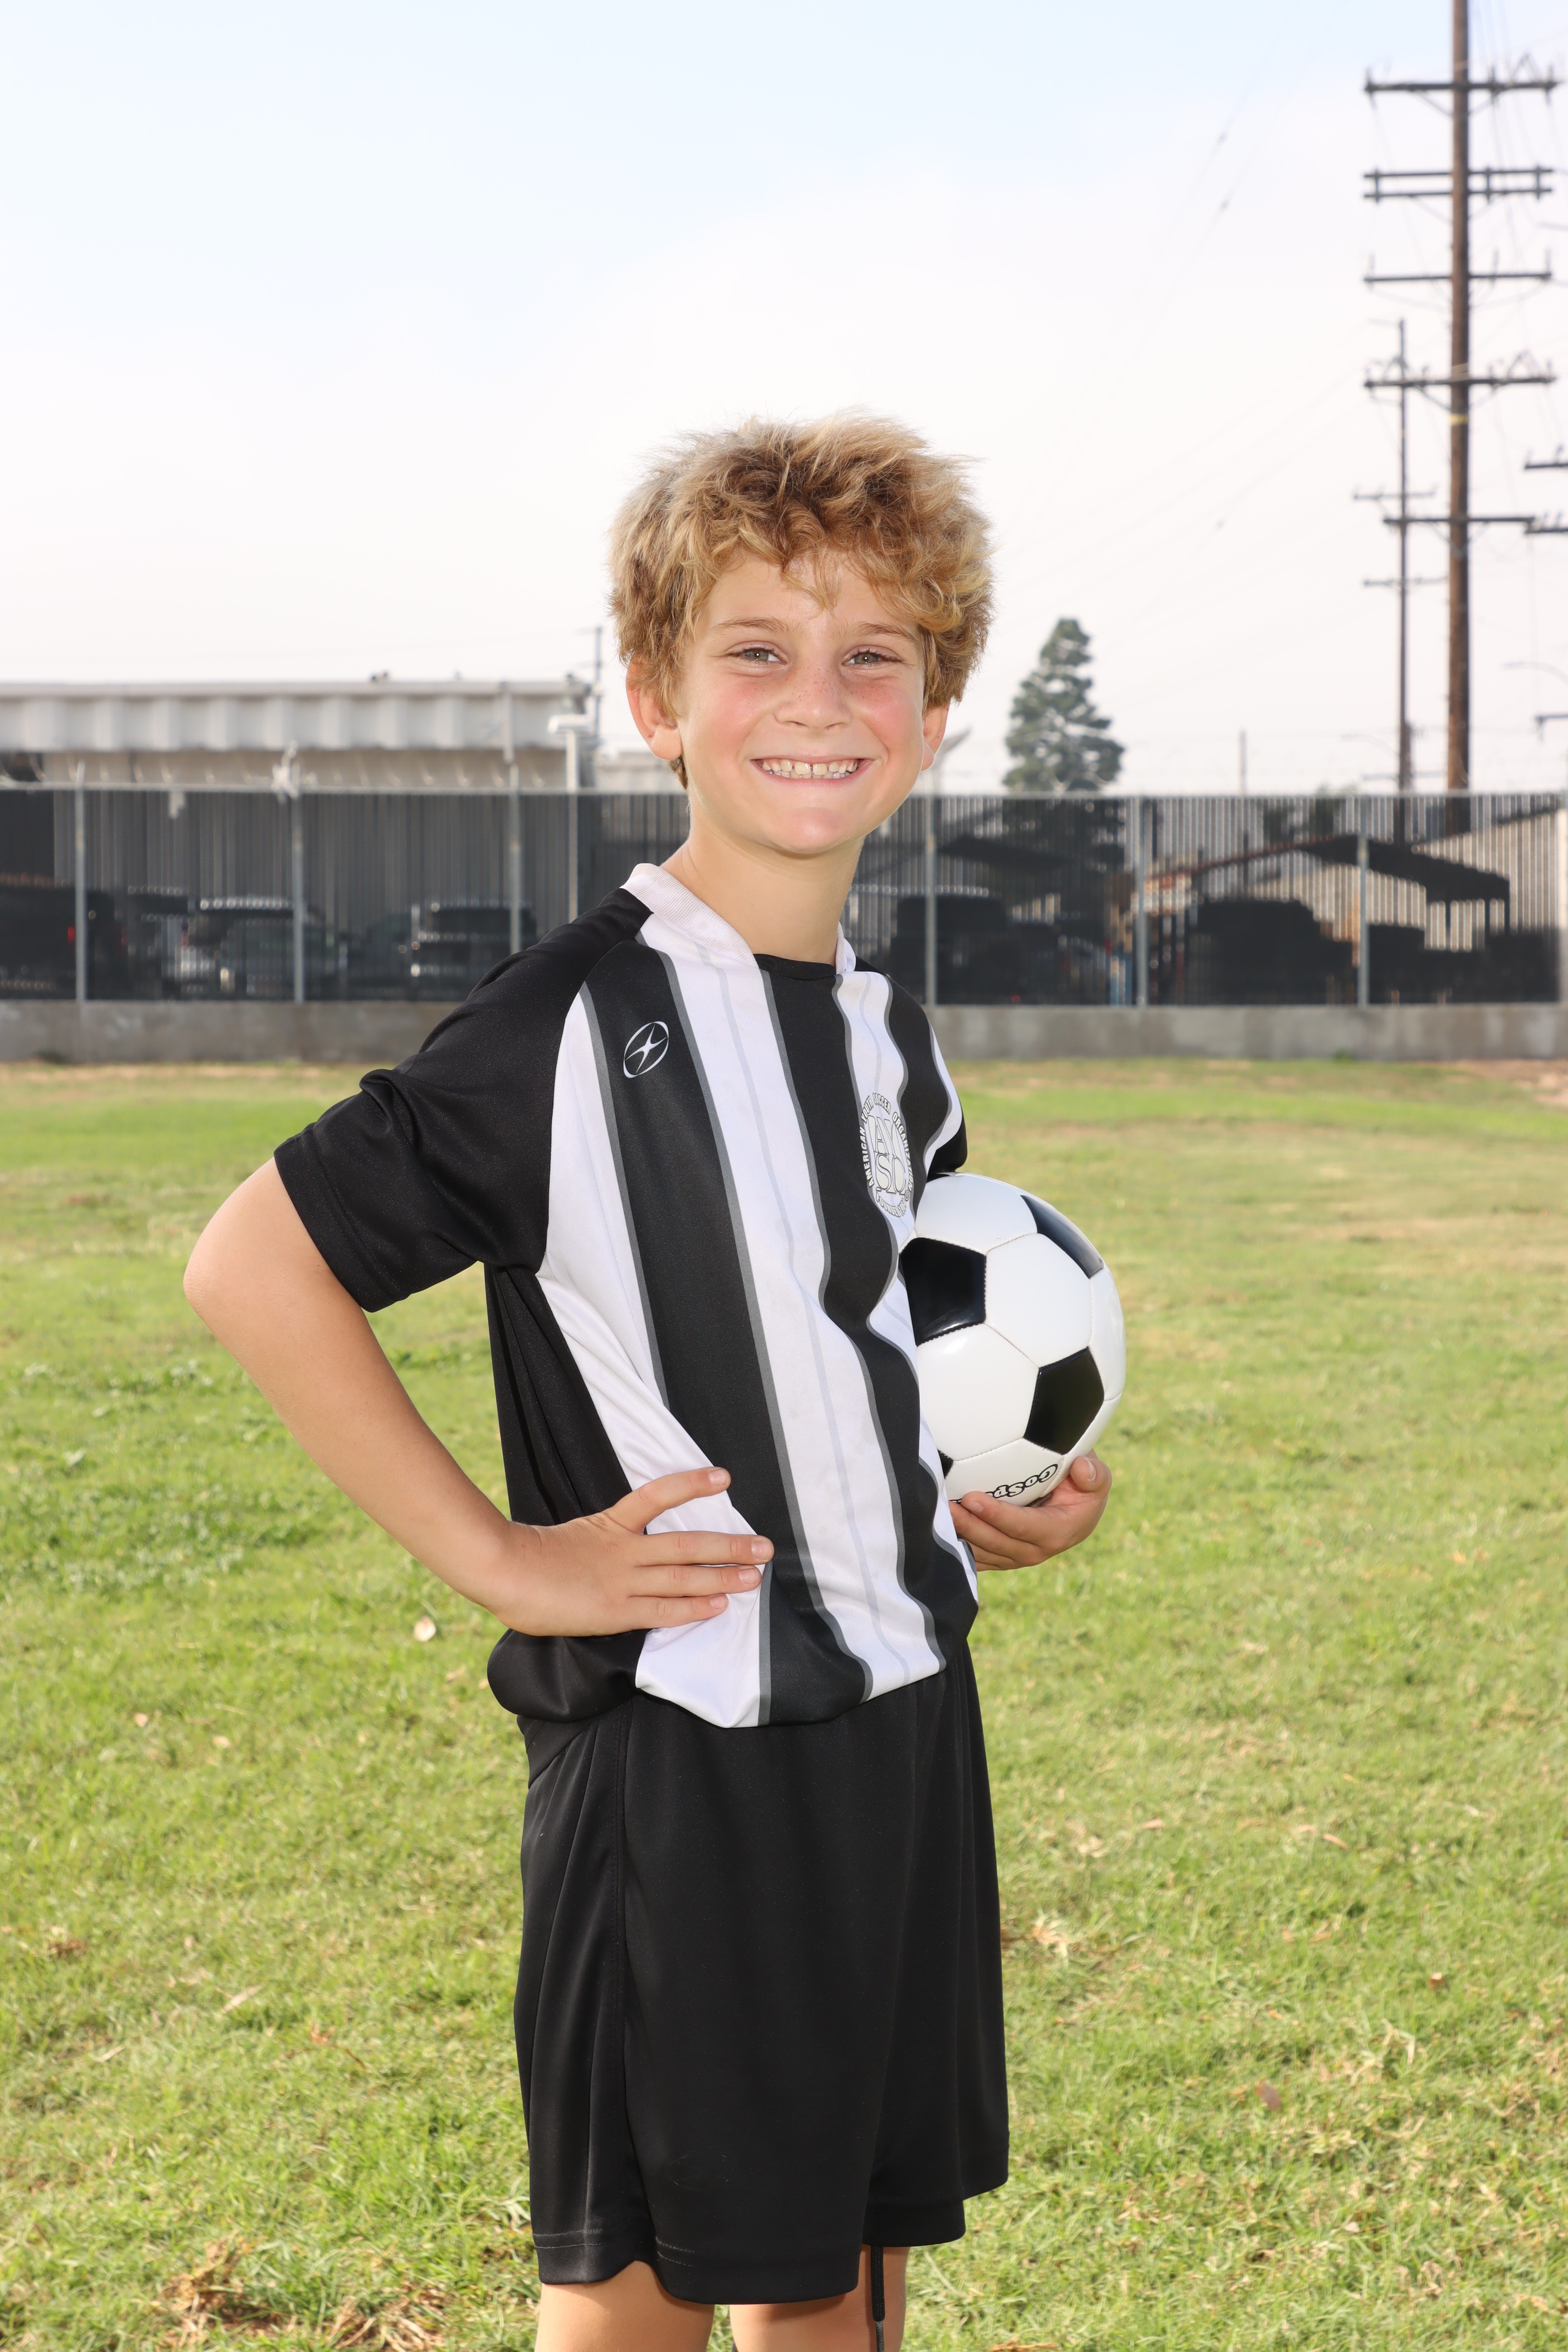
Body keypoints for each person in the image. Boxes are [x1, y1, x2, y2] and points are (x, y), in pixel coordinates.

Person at [184, 414, 1113, 2352]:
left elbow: (861, 1346)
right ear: (655, 700)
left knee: (840, 2279)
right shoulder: (569, 1019)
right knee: (638, 2300)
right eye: (756, 649)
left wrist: (973, 1500)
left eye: (873, 654)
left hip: (902, 1731)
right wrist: (506, 1561)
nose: (818, 698)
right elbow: (253, 1265)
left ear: (933, 711)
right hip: (683, 1754)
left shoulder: (892, 1041)